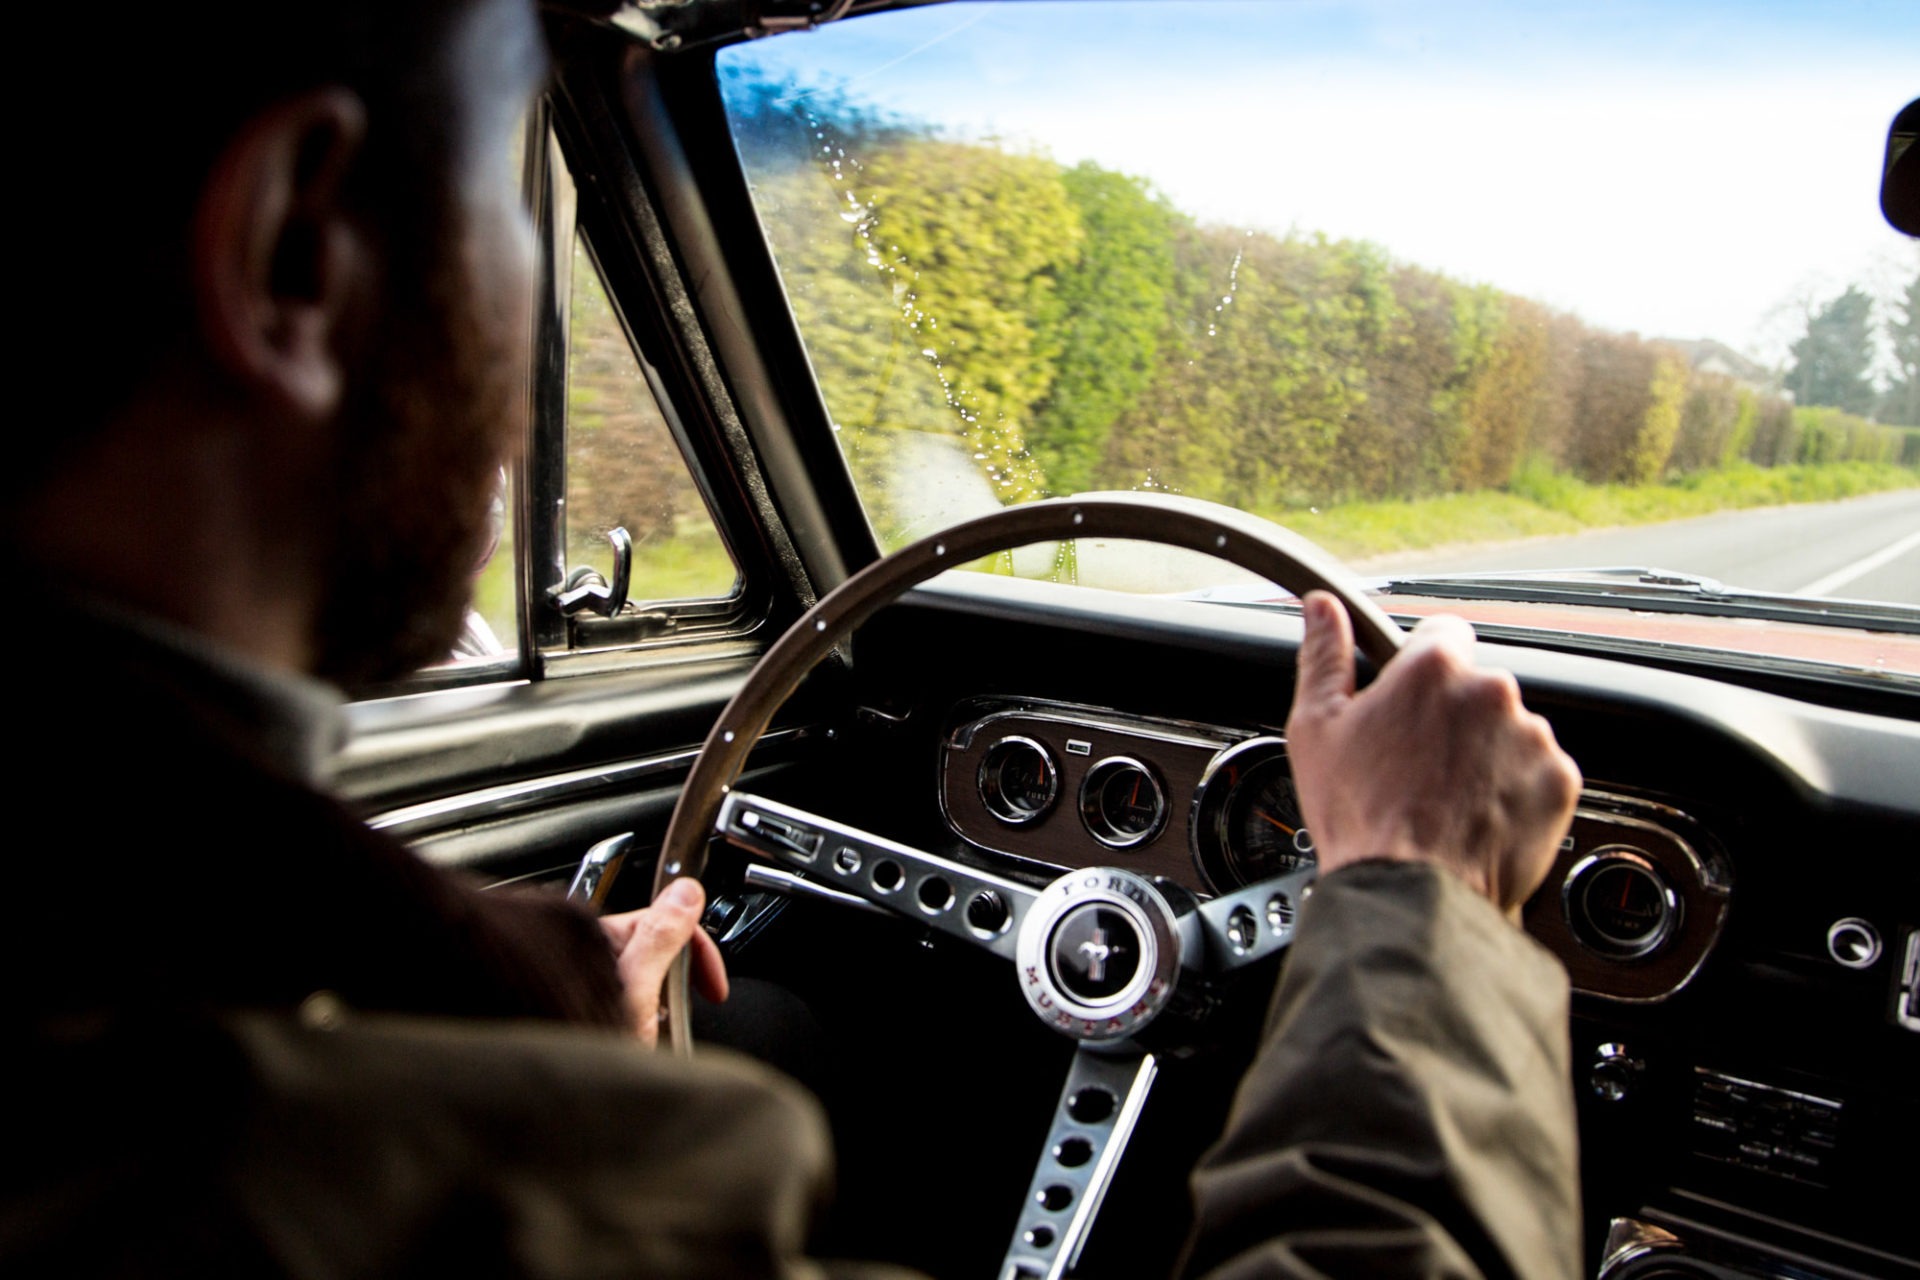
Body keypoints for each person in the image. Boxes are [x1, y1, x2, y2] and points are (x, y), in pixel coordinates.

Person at [3, 1, 1580, 1276]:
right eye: (514, 219)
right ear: (294, 255)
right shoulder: (407, 1182)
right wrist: (1419, 901)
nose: (529, 336)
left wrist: (525, 1018)